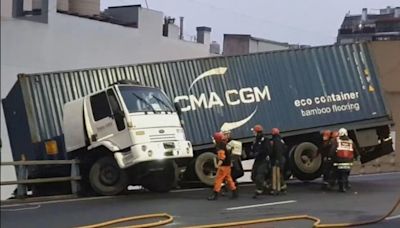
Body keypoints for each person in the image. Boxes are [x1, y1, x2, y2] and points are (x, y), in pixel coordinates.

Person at [208, 132, 238, 200]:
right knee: (229, 179)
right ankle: (234, 192)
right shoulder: (223, 144)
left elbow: (222, 157)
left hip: (223, 166)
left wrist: (218, 165)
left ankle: (215, 194)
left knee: (218, 180)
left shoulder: (220, 146)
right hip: (227, 165)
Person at [332, 128, 357, 192]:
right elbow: (355, 151)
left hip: (339, 160)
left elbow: (332, 150)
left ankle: (341, 187)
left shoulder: (337, 141)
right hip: (349, 161)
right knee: (346, 173)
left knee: (339, 173)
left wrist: (330, 157)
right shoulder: (351, 141)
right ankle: (346, 184)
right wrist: (356, 157)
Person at [250, 124, 272, 198]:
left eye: (254, 131)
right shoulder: (256, 140)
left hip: (263, 160)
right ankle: (265, 185)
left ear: (257, 132)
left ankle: (260, 190)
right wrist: (252, 153)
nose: (253, 133)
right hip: (257, 160)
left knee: (260, 175)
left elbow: (267, 150)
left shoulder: (265, 140)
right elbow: (254, 148)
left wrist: (258, 153)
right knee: (253, 176)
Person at [270, 127, 287, 195]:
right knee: (279, 174)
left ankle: (275, 189)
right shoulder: (281, 140)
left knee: (275, 174)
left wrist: (276, 159)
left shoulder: (275, 140)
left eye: (272, 131)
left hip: (277, 159)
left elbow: (277, 150)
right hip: (281, 158)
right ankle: (283, 187)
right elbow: (285, 148)